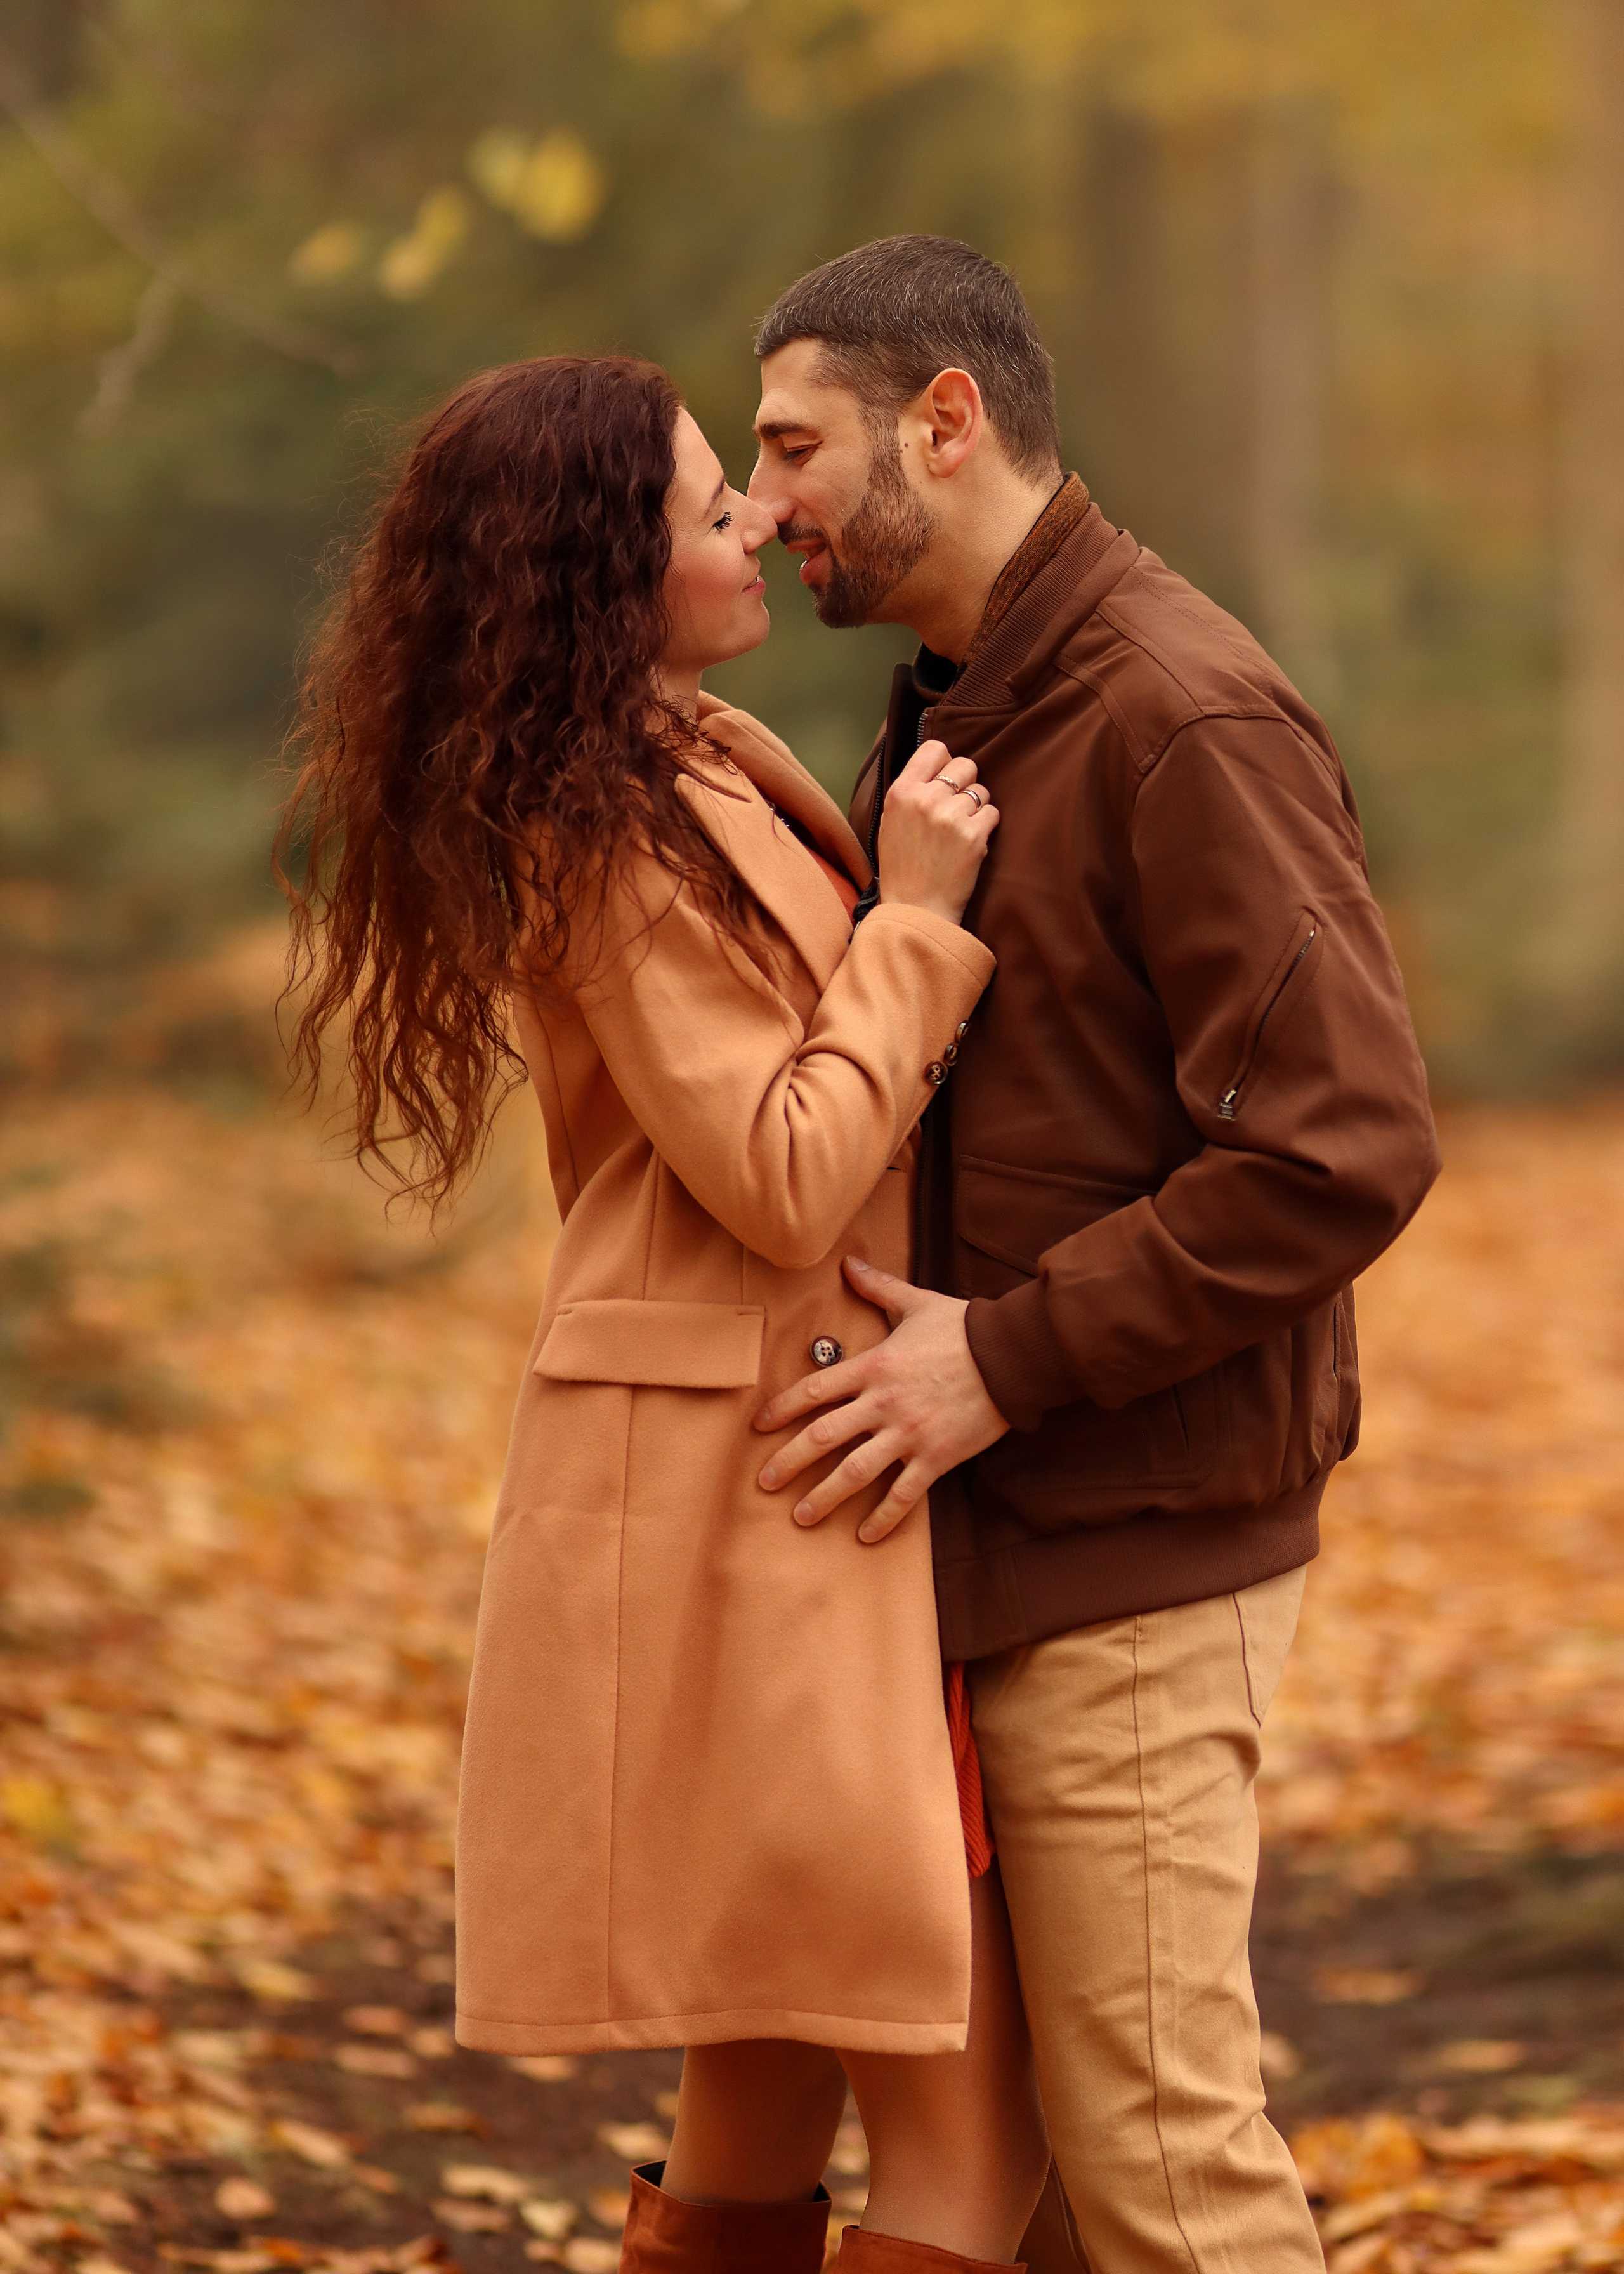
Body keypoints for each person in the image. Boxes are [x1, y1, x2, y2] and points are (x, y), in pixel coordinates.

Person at [276, 353, 1052, 2274]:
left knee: (767, 2083)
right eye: (717, 508)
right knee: (967, 2123)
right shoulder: (600, 831)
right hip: (751, 1498)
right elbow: (784, 1168)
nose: (762, 522)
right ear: (603, 575)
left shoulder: (684, 764)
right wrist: (922, 919)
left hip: (756, 1487)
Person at [746, 236, 1443, 2274]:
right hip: (987, 1542)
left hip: (1133, 1533)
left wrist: (1005, 1363)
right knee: (1034, 2190)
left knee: (1160, 2160)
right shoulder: (973, 717)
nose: (765, 499)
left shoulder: (1177, 711)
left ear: (942, 423)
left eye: (795, 446)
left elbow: (1345, 1148)